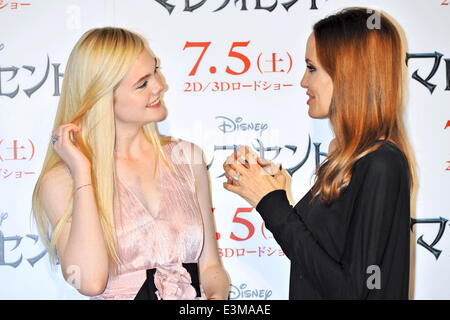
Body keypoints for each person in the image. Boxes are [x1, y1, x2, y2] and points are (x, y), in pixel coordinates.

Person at [223, 7, 416, 299]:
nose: (303, 81)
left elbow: (352, 292)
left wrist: (270, 203)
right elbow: (319, 262)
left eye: (312, 68)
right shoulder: (356, 161)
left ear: (350, 73)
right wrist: (279, 193)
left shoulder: (381, 163)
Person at [32, 27, 229, 300]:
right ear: (102, 97)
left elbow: (210, 266)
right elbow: (89, 281)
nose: (160, 85)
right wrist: (83, 173)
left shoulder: (187, 158)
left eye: (156, 70)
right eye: (142, 83)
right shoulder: (61, 180)